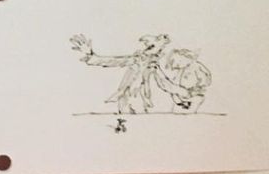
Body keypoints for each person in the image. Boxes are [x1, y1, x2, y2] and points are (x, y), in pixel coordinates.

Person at [70, 33, 211, 114]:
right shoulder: (135, 60)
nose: (158, 54)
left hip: (141, 101)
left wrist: (184, 95)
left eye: (159, 51)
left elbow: (164, 84)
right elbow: (112, 61)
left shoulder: (153, 66)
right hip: (127, 98)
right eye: (156, 50)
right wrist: (90, 55)